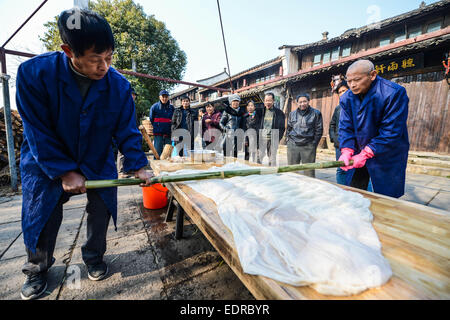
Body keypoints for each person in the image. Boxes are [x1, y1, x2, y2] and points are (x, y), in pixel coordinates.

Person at [15, 8, 153, 300]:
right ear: (68, 51)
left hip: (95, 153)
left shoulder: (118, 85)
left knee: (101, 205)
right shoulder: (34, 74)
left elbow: (127, 130)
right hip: (46, 157)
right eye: (95, 59)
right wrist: (65, 171)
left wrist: (139, 165)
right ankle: (37, 268)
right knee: (42, 210)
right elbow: (36, 130)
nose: (104, 66)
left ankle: (94, 256)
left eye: (109, 57)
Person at [338, 59, 410, 198]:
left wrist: (367, 153)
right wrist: (346, 149)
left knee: (386, 196)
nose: (352, 85)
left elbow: (391, 131)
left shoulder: (393, 93)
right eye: (349, 81)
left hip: (386, 151)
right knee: (353, 191)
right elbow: (345, 127)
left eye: (357, 80)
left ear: (372, 75)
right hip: (358, 151)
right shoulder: (346, 98)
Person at [286, 93, 323, 177]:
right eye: (300, 102)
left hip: (308, 145)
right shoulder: (292, 114)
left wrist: (313, 144)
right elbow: (289, 128)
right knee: (292, 171)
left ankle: (309, 189)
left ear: (308, 101)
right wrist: (288, 140)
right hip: (293, 145)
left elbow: (319, 130)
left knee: (308, 172)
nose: (302, 104)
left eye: (304, 101)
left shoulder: (316, 113)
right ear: (297, 103)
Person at [257, 92, 286, 166]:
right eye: (266, 100)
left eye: (269, 100)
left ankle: (272, 174)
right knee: (258, 158)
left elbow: (282, 128)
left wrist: (277, 139)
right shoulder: (260, 112)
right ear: (264, 101)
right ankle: (257, 174)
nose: (267, 102)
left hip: (272, 139)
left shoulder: (279, 113)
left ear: (273, 101)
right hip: (262, 139)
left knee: (272, 159)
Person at [329, 81, 349, 184]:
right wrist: (334, 139)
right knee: (340, 168)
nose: (342, 93)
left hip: (354, 145)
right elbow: (332, 124)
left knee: (357, 170)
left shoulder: (357, 105)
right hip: (340, 145)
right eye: (340, 92)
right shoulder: (338, 108)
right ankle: (342, 190)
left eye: (344, 90)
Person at [117, 87, 137, 178]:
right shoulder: (123, 104)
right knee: (121, 152)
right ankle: (121, 171)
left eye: (134, 95)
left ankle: (128, 170)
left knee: (130, 150)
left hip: (131, 130)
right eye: (131, 94)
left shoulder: (133, 106)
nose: (133, 96)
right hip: (123, 130)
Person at [149, 89, 174, 158]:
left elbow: (174, 119)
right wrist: (157, 125)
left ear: (168, 97)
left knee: (168, 152)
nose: (164, 98)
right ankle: (157, 166)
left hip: (168, 133)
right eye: (163, 97)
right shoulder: (154, 107)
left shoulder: (171, 108)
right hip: (158, 132)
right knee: (157, 151)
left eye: (166, 97)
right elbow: (151, 119)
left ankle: (167, 167)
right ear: (160, 97)